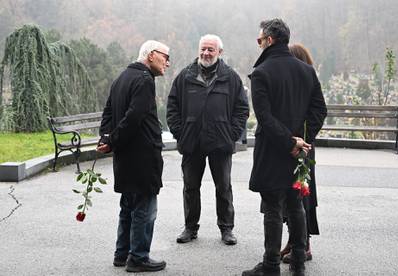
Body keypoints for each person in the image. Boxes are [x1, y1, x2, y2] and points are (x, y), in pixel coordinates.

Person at [242, 19, 327, 276]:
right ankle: (298, 263)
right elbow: (319, 110)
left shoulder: (261, 73)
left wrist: (291, 142)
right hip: (299, 153)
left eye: (259, 40)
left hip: (272, 150)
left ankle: (270, 265)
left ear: (270, 40)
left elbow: (265, 118)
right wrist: (302, 140)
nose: (258, 44)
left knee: (272, 208)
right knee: (296, 204)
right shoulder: (306, 70)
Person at [166, 34, 249, 246]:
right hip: (192, 143)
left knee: (223, 187)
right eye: (203, 49)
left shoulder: (230, 77)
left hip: (220, 143)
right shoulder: (185, 76)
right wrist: (180, 133)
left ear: (220, 52)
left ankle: (227, 229)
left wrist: (232, 134)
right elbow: (172, 107)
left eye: (211, 49)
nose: (206, 53)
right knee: (190, 187)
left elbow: (241, 109)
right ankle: (190, 228)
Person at [97, 40, 170, 273]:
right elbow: (134, 117)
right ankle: (138, 258)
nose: (167, 62)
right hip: (142, 157)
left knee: (128, 205)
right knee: (145, 208)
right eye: (165, 56)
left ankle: (122, 254)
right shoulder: (144, 80)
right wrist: (112, 139)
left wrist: (107, 138)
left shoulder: (122, 78)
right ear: (150, 55)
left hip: (125, 157)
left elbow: (108, 113)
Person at [280, 43, 320, 264]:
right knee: (289, 196)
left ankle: (304, 244)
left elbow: (317, 112)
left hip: (303, 148)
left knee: (303, 195)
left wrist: (304, 138)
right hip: (286, 145)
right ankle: (293, 240)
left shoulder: (308, 83)